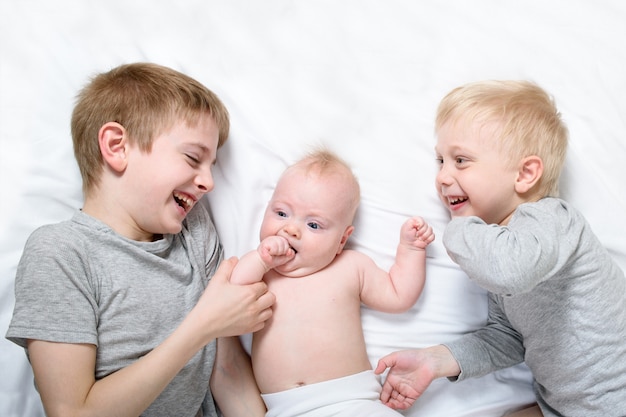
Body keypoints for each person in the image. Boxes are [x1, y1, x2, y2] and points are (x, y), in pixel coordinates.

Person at [5, 62, 275, 417]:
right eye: (194, 157)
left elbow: (227, 372)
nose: (208, 182)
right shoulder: (60, 252)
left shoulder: (194, 232)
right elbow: (71, 411)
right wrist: (204, 324)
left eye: (212, 165)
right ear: (117, 147)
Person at [374, 80, 626, 416]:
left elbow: (510, 271)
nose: (443, 177)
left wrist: (456, 230)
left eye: (461, 160)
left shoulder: (553, 219)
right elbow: (507, 337)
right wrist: (433, 360)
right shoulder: (500, 246)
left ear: (525, 174)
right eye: (440, 161)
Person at [230, 149, 435, 416]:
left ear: (341, 240)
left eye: (313, 225)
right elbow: (231, 296)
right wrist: (261, 259)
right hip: (284, 411)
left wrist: (412, 250)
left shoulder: (350, 267)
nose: (291, 229)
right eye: (281, 213)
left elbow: (398, 295)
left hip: (355, 403)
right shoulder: (260, 272)